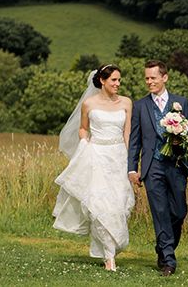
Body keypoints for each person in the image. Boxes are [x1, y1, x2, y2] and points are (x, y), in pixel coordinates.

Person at [53, 64, 136, 271]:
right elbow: (83, 129)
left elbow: (127, 134)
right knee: (100, 206)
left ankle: (112, 247)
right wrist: (84, 143)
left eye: (119, 80)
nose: (118, 84)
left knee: (118, 207)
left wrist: (132, 163)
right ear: (102, 81)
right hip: (96, 158)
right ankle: (109, 258)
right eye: (114, 80)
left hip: (118, 159)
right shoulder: (89, 104)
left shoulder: (126, 103)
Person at [128, 59, 188, 277]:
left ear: (164, 78)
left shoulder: (181, 102)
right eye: (146, 78)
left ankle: (162, 246)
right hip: (152, 166)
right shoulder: (139, 106)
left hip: (176, 165)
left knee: (179, 212)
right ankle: (168, 259)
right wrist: (132, 169)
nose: (149, 82)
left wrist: (181, 138)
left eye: (153, 78)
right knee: (160, 212)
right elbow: (135, 139)